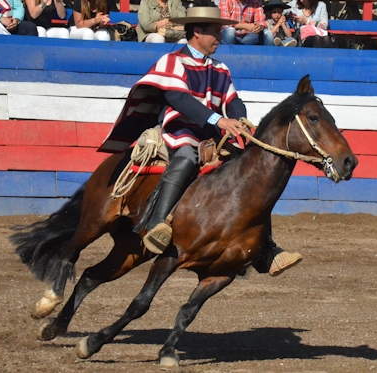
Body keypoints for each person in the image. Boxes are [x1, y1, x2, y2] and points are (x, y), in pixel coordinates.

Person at [100, 6, 302, 276]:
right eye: (216, 31)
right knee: (186, 157)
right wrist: (219, 121)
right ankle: (157, 224)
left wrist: (240, 119)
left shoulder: (220, 67)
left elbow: (233, 101)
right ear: (197, 32)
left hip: (211, 134)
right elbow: (178, 100)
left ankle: (266, 249)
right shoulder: (172, 61)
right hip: (179, 129)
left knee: (250, 172)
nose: (221, 36)